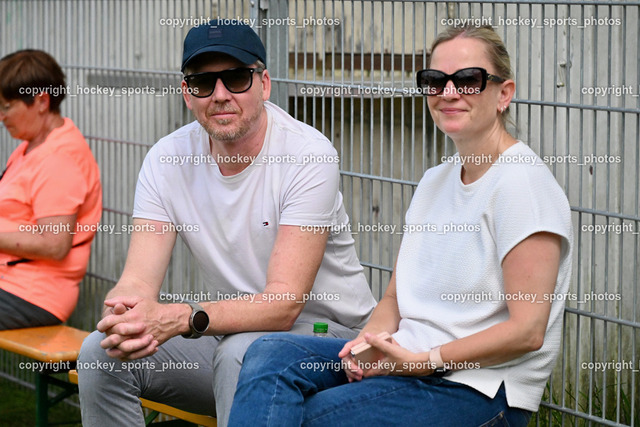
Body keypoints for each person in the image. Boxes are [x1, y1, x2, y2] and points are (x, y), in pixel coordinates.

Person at [228, 25, 573, 427]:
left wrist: (422, 361)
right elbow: (394, 297)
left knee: (309, 418)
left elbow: (528, 331)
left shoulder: (522, 183)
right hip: (407, 363)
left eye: (468, 80)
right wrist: (366, 345)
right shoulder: (435, 181)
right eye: (435, 80)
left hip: (478, 389)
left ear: (504, 93)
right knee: (269, 354)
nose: (448, 92)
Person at [77, 20, 376, 427]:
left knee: (243, 352)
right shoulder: (167, 159)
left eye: (236, 78)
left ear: (264, 84)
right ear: (187, 93)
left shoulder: (307, 155)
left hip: (332, 343)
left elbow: (284, 305)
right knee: (102, 352)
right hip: (233, 333)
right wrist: (124, 312)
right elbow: (137, 280)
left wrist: (184, 317)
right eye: (203, 83)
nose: (220, 95)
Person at [0, 50, 102, 330]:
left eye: (6, 107)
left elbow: (54, 244)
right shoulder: (31, 145)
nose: (2, 116)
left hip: (31, 295)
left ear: (42, 101)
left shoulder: (59, 158)